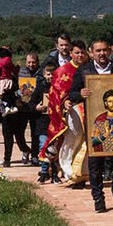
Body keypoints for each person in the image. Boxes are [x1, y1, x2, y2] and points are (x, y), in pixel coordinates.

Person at [69, 38, 113, 212]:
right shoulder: (84, 71)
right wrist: (80, 94)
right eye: (98, 51)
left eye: (104, 50)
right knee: (95, 162)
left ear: (110, 50)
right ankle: (98, 198)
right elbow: (72, 94)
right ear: (91, 52)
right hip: (94, 122)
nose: (102, 54)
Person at [42, 40, 89, 187]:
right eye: (77, 53)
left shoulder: (91, 68)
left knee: (87, 143)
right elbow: (55, 94)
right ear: (71, 54)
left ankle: (82, 173)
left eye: (82, 53)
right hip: (73, 112)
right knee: (71, 142)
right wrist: (64, 103)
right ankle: (69, 172)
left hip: (91, 111)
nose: (80, 55)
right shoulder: (62, 72)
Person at [30, 58, 57, 183]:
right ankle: (44, 171)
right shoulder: (40, 87)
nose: (50, 77)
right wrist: (37, 107)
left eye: (53, 74)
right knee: (43, 146)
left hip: (56, 122)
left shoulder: (59, 88)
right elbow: (31, 103)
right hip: (42, 122)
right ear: (44, 74)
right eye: (48, 74)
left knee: (55, 148)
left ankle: (55, 173)